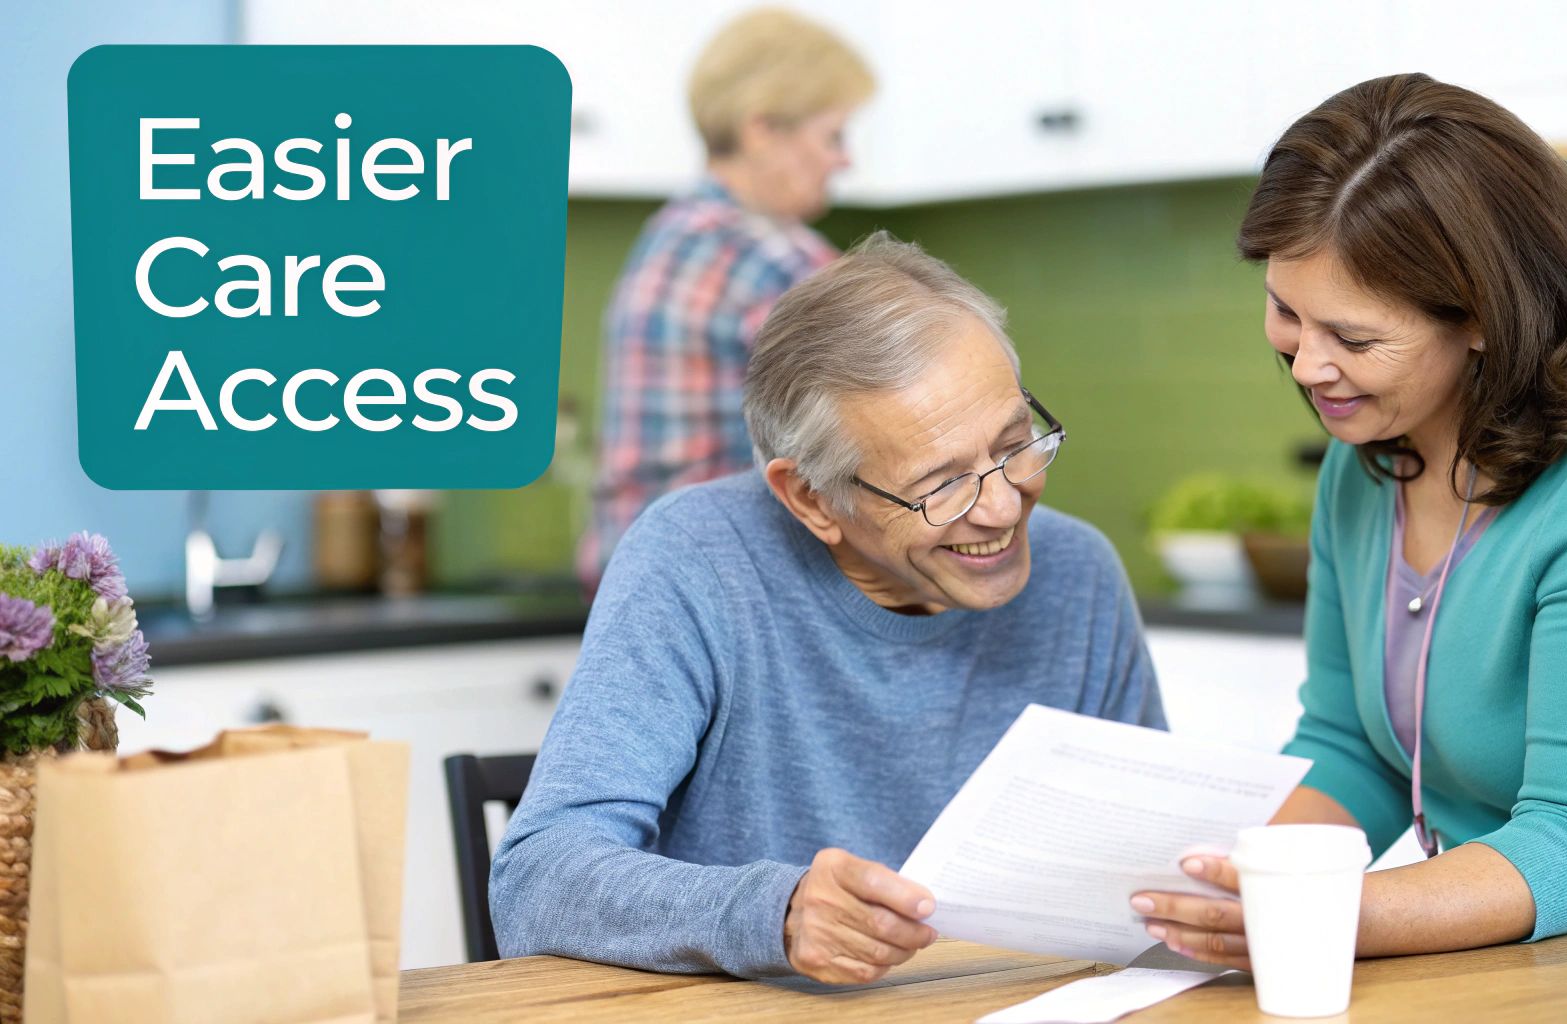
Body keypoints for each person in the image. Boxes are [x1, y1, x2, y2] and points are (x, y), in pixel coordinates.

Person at [1134, 73, 1567, 963]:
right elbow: (1354, 747)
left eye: (1352, 337)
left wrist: (1323, 912)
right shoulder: (1372, 459)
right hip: (1545, 957)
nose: (1308, 367)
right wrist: (1212, 885)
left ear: (1488, 319)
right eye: (1285, 312)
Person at [495, 234, 1166, 983]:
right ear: (812, 499)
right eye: (943, 486)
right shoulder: (696, 561)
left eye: (1015, 443)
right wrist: (775, 914)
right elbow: (536, 882)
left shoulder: (1079, 574)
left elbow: (1139, 868)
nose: (1006, 505)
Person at [578, 8, 875, 588]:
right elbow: (877, 449)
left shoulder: (668, 235)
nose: (846, 159)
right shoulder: (779, 262)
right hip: (729, 587)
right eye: (833, 135)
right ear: (762, 128)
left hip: (638, 582)